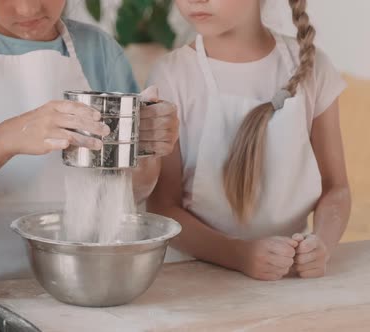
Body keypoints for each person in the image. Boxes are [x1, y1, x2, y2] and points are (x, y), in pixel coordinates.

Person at [0, 0, 179, 286]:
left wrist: (149, 147)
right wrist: (10, 137)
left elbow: (136, 189)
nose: (28, 9)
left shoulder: (100, 51)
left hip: (88, 276)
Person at [147, 0, 350, 281]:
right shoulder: (172, 76)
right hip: (196, 279)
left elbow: (336, 189)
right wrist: (239, 255)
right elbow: (162, 207)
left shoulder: (314, 68)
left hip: (288, 279)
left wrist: (322, 245)